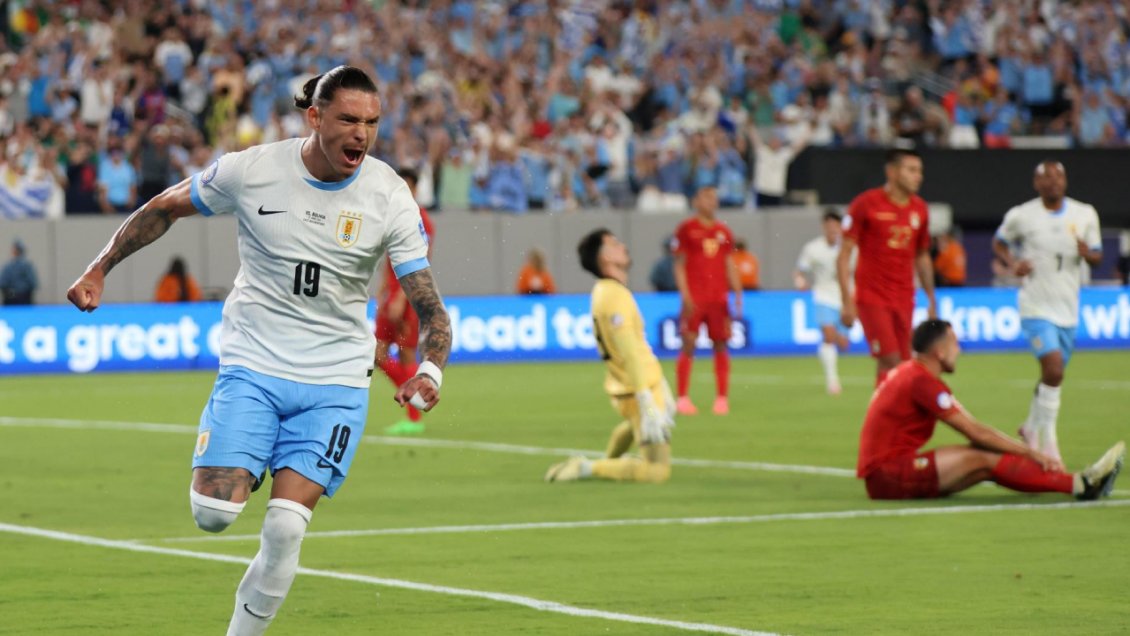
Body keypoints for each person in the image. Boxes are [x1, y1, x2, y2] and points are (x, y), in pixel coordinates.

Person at [65, 66, 452, 636]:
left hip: (336, 380)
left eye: (371, 122)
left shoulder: (389, 195)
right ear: (314, 116)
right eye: (348, 119)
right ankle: (248, 448)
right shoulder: (252, 170)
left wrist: (430, 371)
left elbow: (431, 308)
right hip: (254, 365)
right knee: (213, 514)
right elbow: (165, 207)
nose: (361, 135)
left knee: (287, 529)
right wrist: (99, 268)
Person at [857, 319, 1123, 501]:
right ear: (939, 351)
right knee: (984, 456)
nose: (959, 350)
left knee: (986, 460)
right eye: (955, 343)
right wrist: (1031, 452)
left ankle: (1076, 484)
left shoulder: (911, 372)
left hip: (885, 472)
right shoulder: (921, 381)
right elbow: (975, 432)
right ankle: (1080, 484)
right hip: (888, 475)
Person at [992, 161, 1103, 462]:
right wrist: (1013, 263)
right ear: (1036, 183)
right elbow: (999, 241)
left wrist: (1087, 255)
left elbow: (1097, 254)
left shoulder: (1085, 213)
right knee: (1054, 369)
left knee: (1050, 376)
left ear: (1065, 181)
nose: (1053, 182)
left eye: (1058, 177)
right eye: (1046, 178)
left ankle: (1030, 428)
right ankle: (1050, 444)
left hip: (1068, 306)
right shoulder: (1021, 215)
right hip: (1035, 306)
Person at [545, 228, 675, 484]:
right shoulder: (615, 297)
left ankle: (605, 461)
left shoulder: (603, 291)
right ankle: (588, 468)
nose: (623, 246)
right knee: (656, 472)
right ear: (605, 259)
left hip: (630, 386)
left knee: (632, 425)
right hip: (638, 388)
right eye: (614, 243)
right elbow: (630, 352)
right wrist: (647, 399)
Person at [838, 148, 937, 386]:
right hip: (872, 296)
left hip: (904, 296)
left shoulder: (920, 209)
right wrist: (846, 300)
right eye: (911, 170)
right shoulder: (866, 204)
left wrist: (931, 298)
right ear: (891, 172)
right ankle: (884, 420)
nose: (918, 176)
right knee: (890, 358)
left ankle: (887, 417)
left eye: (920, 171)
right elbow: (844, 255)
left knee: (902, 363)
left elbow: (922, 256)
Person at [374, 166, 436, 436]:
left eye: (409, 186)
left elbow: (418, 262)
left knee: (407, 353)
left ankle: (413, 417)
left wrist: (401, 296)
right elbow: (388, 260)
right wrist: (383, 290)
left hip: (407, 296)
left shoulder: (420, 218)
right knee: (378, 354)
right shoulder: (393, 214)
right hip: (392, 294)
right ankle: (413, 406)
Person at [673, 186, 743, 415]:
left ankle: (722, 398)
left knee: (721, 344)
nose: (712, 201)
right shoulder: (686, 229)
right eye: (707, 197)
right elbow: (679, 264)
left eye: (714, 197)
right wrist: (685, 294)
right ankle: (682, 398)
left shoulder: (724, 231)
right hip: (696, 297)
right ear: (696, 201)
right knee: (689, 343)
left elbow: (728, 263)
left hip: (718, 298)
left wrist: (738, 292)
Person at [794, 210, 853, 395]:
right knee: (828, 336)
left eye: (835, 225)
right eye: (828, 226)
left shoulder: (850, 247)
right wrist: (800, 281)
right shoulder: (813, 248)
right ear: (823, 227)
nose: (832, 229)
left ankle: (836, 345)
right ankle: (832, 380)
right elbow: (799, 270)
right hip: (823, 297)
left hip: (845, 298)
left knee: (843, 344)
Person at [0, 240, 39, 305]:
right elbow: (2, 283)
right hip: (13, 298)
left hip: (22, 298)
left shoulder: (26, 266)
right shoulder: (9, 267)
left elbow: (33, 283)